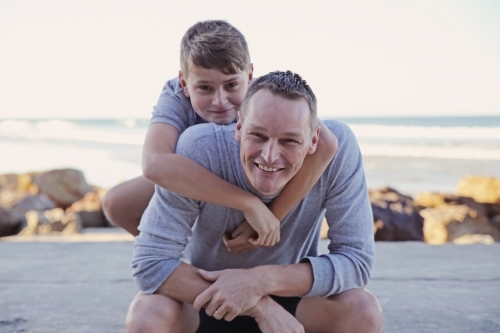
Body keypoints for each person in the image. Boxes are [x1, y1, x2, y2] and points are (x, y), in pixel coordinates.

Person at [127, 71, 382, 333]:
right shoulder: (198, 150)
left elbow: (356, 262)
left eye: (290, 140)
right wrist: (260, 306)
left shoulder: (339, 150)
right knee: (146, 315)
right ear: (238, 127)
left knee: (363, 312)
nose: (270, 156)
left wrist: (259, 281)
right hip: (206, 298)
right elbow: (150, 262)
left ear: (314, 139)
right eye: (257, 136)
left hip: (292, 306)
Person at [102, 20, 338, 248]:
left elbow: (327, 142)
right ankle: (188, 260)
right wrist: (248, 204)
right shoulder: (175, 95)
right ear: (184, 82)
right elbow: (154, 163)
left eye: (231, 86)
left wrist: (271, 216)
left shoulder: (263, 94)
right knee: (115, 204)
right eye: (205, 88)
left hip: (253, 169)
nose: (220, 100)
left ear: (249, 76)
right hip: (201, 171)